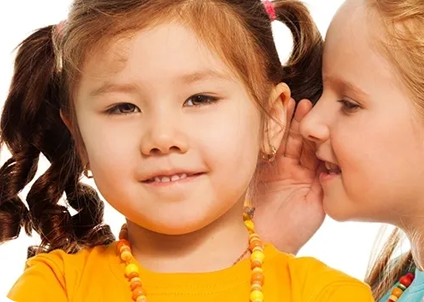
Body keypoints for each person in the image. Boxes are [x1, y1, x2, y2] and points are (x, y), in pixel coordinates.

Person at [0, 0, 374, 301]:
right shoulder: (53, 290)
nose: (163, 138)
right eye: (123, 107)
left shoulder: (328, 294)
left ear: (272, 119)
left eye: (199, 99)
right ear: (79, 137)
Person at [254, 0, 424, 301]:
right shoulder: (394, 288)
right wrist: (270, 241)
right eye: (323, 92)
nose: (310, 123)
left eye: (349, 104)